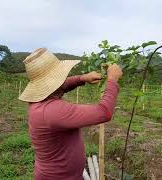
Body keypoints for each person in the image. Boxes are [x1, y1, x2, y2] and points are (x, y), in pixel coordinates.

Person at [18, 48, 123, 180]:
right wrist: (112, 80)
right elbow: (104, 112)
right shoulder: (53, 111)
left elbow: (61, 86)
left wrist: (82, 78)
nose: (62, 79)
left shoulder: (39, 101)